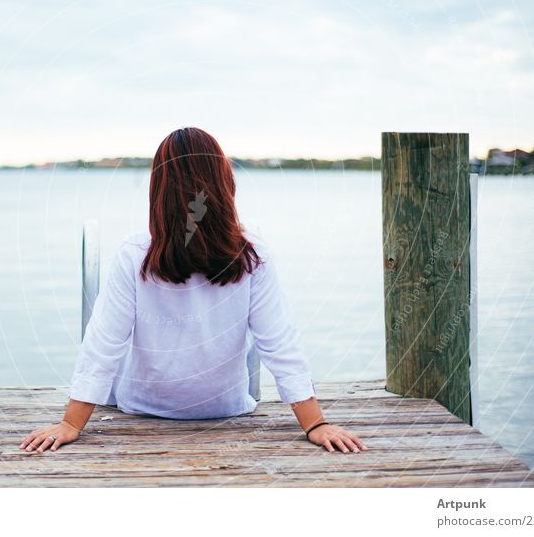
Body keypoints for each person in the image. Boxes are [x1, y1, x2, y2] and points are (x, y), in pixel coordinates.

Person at [20, 127, 368, 455]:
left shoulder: (136, 253)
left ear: (159, 188)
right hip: (225, 407)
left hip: (142, 405)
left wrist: (70, 423)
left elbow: (104, 342)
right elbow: (279, 342)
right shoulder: (252, 254)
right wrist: (315, 424)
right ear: (223, 184)